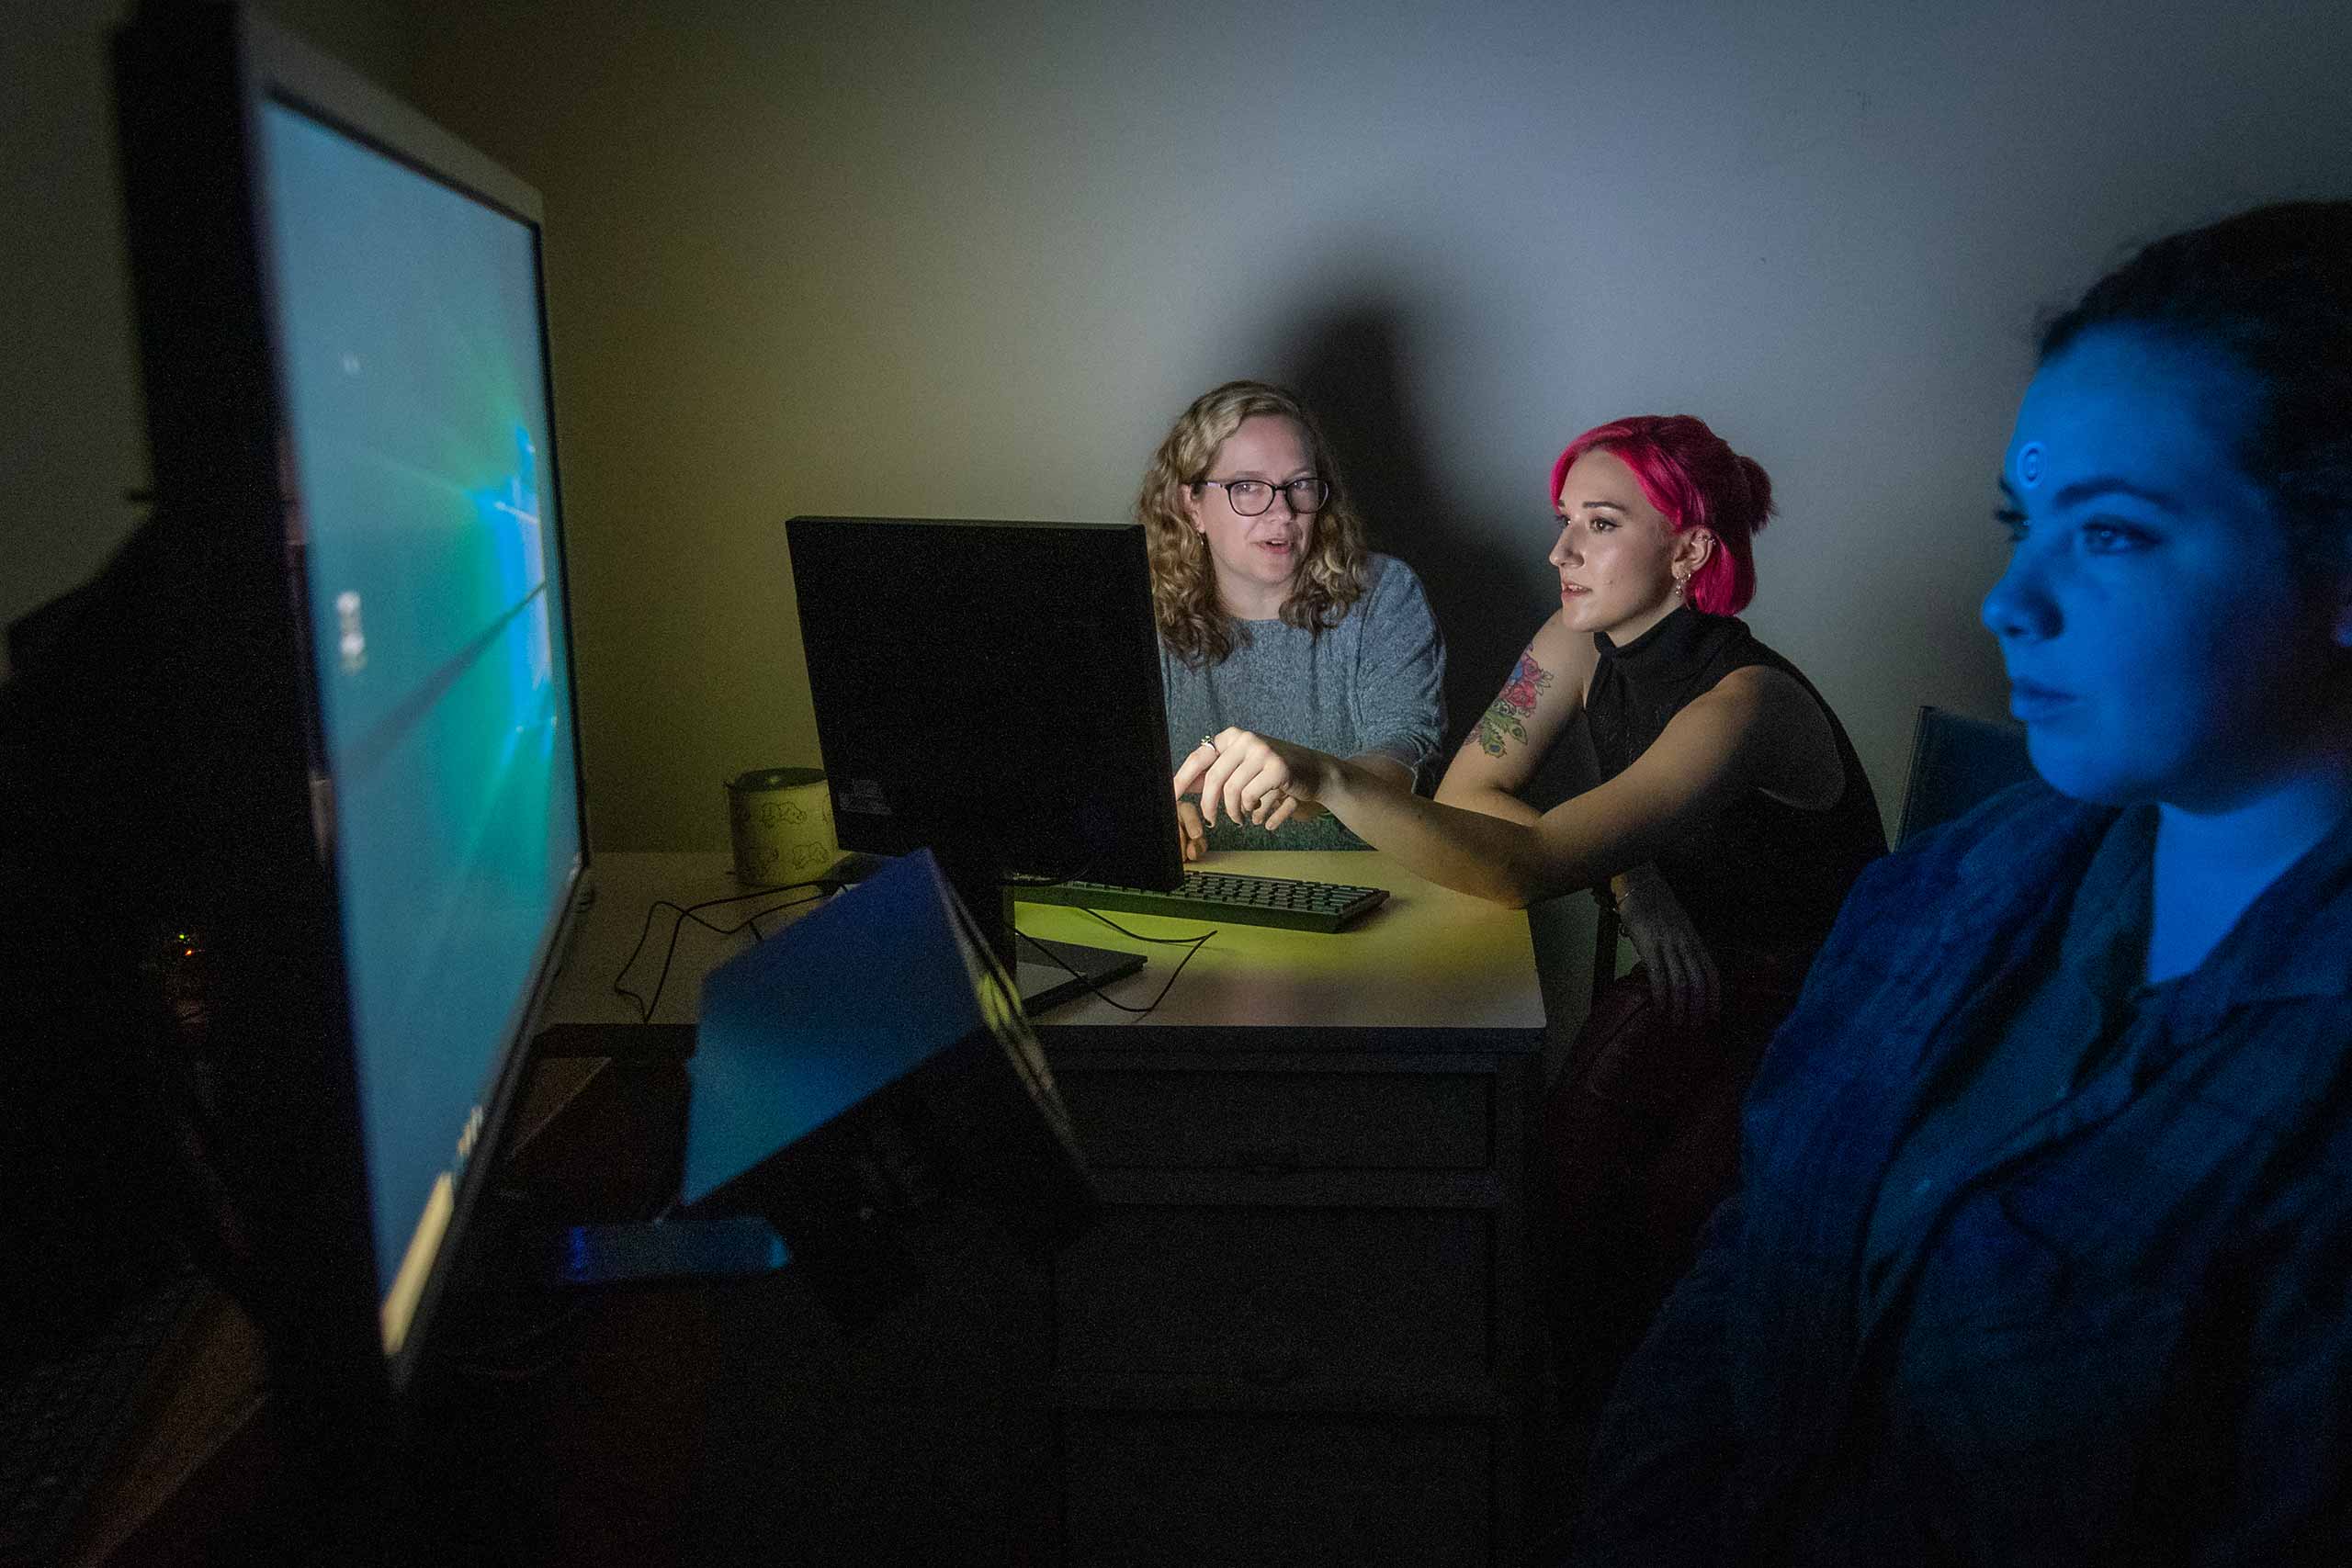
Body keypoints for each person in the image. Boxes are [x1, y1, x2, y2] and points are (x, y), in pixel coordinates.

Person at [1560, 200, 2352, 1565]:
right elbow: (1738, 1284)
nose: (2008, 600)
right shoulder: (1939, 887)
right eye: (2022, 520)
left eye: (2110, 534)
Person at [1173, 412, 1887, 1411]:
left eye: (1598, 524)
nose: (1559, 550)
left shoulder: (1746, 706)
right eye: (1563, 520)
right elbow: (1469, 792)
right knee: (1559, 1183)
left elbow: (1533, 858)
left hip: (1814, 1010)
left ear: (1686, 550)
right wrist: (1632, 881)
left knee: (1670, 1219)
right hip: (1695, 988)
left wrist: (1326, 775)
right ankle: (1583, 1435)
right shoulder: (1574, 641)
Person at [1138, 379, 1444, 856]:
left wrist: (1318, 778)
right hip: (1208, 893)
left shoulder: (1384, 593)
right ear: (1191, 505)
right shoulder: (1145, 611)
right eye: (1247, 487)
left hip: (1369, 887)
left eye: (1299, 485)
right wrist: (1150, 819)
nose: (1282, 513)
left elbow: (1406, 754)